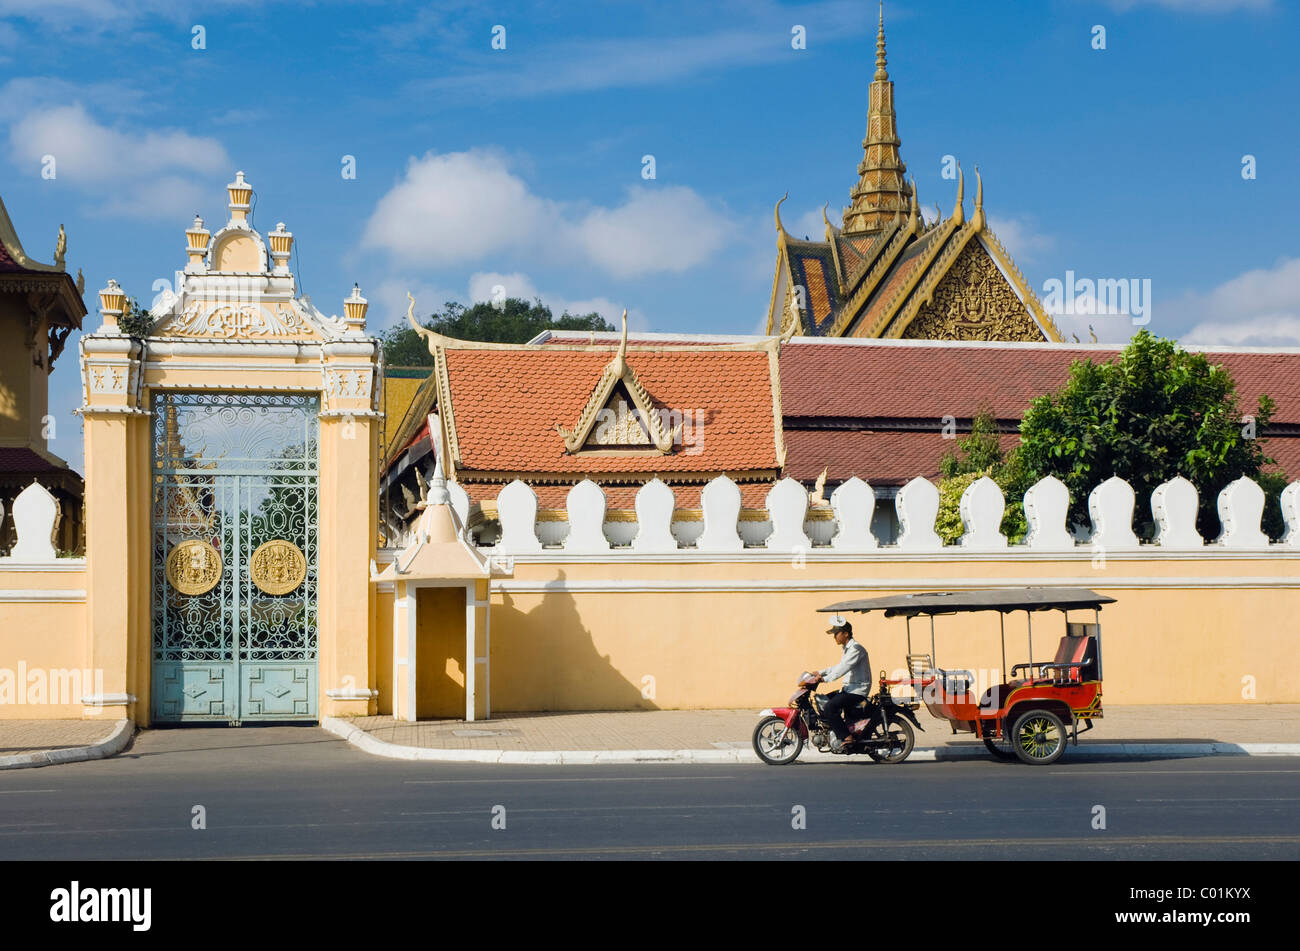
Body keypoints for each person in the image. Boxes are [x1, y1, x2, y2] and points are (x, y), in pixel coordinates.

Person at [814, 615, 871, 752]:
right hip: (850, 689)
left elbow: (843, 668)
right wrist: (820, 672)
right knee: (823, 701)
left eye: (836, 633)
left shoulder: (856, 649)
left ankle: (846, 736)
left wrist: (824, 679)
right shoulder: (847, 648)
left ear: (846, 633)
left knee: (829, 707)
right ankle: (837, 730)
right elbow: (838, 666)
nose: (834, 636)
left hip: (857, 691)